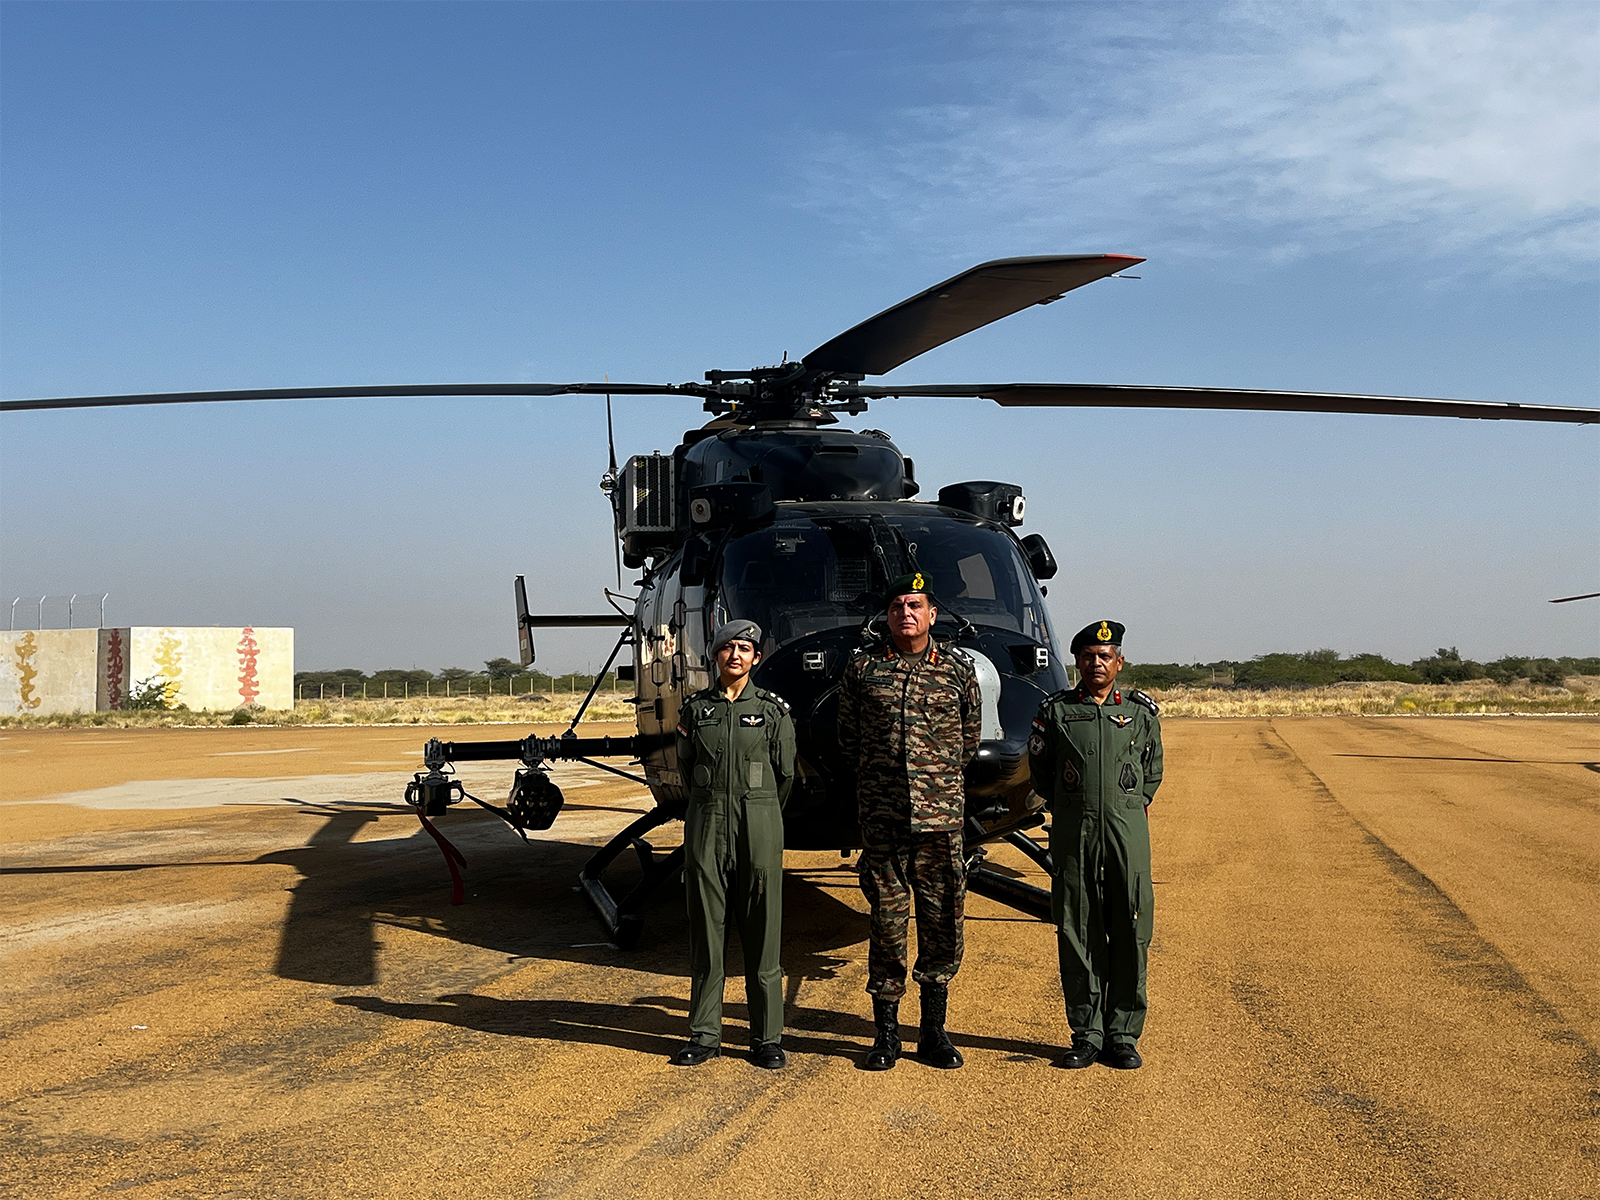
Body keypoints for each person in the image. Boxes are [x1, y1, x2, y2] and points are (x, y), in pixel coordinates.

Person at [837, 572, 983, 1070]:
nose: (907, 613)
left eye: (916, 605)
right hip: (884, 822)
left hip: (941, 823)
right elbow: (849, 741)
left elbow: (967, 742)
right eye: (898, 605)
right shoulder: (863, 670)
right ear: (888, 614)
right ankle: (886, 1035)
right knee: (887, 923)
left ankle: (934, 1033)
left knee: (943, 924)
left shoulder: (958, 672)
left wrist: (935, 785)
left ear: (932, 614)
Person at [1028, 620, 1163, 1070]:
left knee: (1131, 923)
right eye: (1088, 656)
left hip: (1127, 834)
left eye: (1105, 655)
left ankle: (1122, 1034)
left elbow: (1151, 772)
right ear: (1077, 662)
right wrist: (1074, 808)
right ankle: (1087, 1032)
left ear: (1119, 662)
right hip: (1075, 831)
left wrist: (1126, 808)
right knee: (1077, 926)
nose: (1096, 663)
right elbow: (1042, 770)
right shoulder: (1058, 711)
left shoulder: (1140, 714)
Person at [671, 619, 796, 1069]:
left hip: (759, 821)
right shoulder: (695, 711)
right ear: (716, 656)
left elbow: (784, 778)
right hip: (707, 821)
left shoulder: (773, 711)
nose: (736, 655)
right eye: (728, 648)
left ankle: (767, 1038)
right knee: (706, 928)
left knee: (764, 929)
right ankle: (705, 1034)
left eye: (745, 648)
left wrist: (757, 810)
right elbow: (688, 770)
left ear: (756, 658)